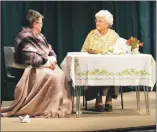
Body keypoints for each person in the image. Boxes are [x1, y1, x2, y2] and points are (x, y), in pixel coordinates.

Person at [1, 9, 72, 118]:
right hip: (29, 68)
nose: (42, 25)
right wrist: (47, 61)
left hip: (43, 65)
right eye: (41, 22)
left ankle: (56, 104)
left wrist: (52, 59)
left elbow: (50, 50)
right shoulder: (24, 36)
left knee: (61, 75)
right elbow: (30, 57)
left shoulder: (40, 36)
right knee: (52, 77)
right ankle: (42, 106)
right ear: (34, 23)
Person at [81, 10, 120, 112]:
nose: (97, 23)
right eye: (96, 21)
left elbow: (118, 51)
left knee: (112, 69)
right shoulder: (92, 34)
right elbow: (83, 50)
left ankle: (109, 99)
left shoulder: (114, 35)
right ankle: (98, 98)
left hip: (110, 64)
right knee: (97, 70)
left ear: (107, 24)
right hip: (94, 65)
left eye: (100, 21)